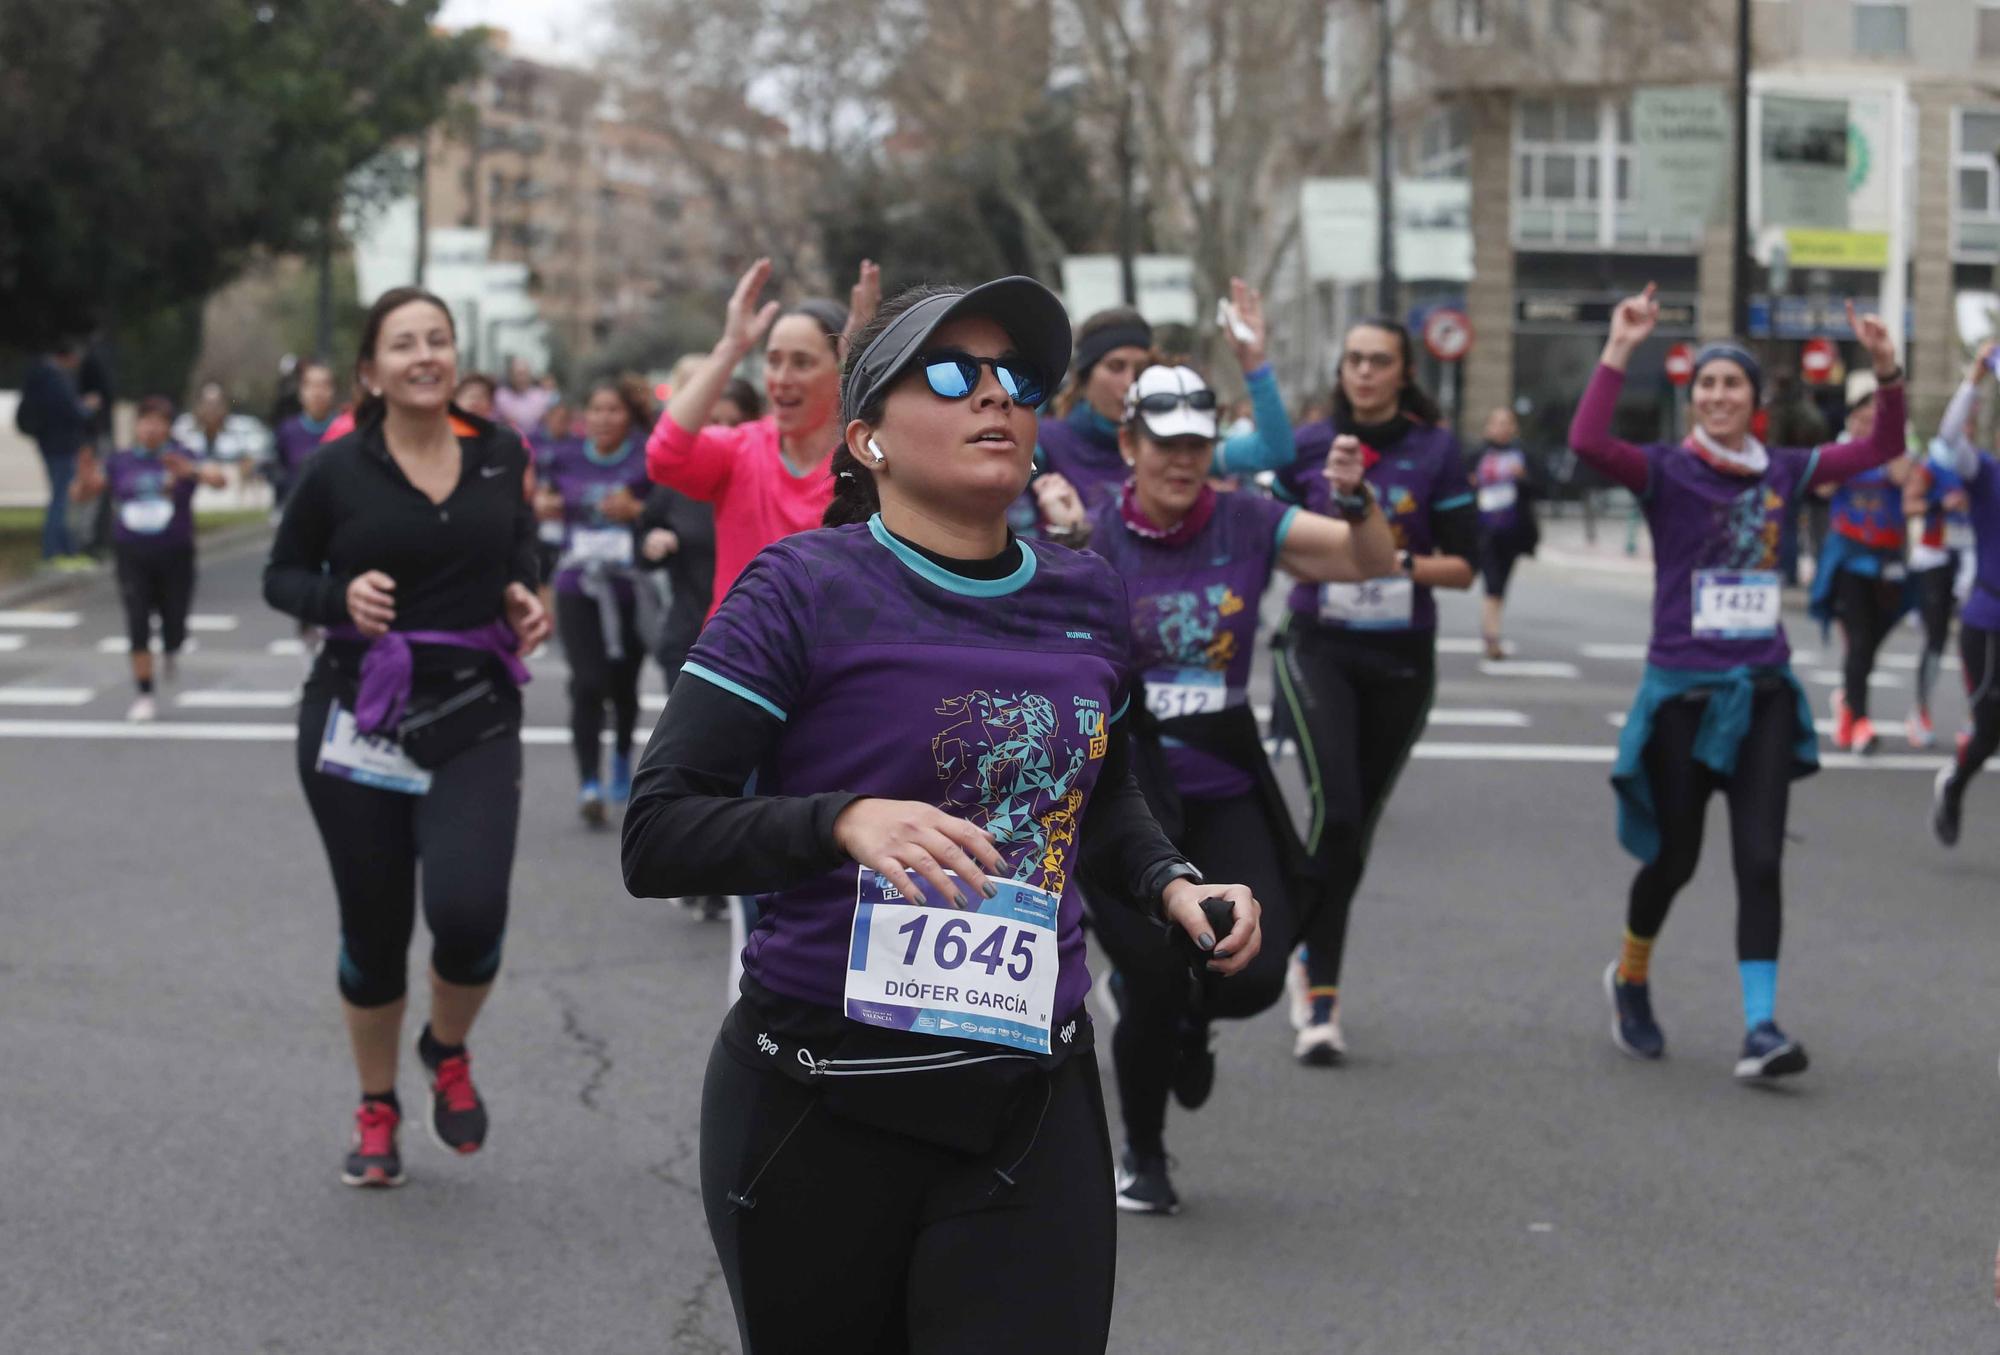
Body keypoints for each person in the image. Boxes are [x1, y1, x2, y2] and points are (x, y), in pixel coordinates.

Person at [622, 279, 1262, 1354]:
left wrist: (1167, 879)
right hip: (819, 1101)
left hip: (1029, 1098)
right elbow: (659, 830)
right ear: (866, 436)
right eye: (954, 376)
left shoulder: (1084, 594)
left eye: (1016, 379)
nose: (996, 399)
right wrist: (840, 820)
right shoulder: (800, 589)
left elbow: (1098, 789)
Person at [1043, 361, 1394, 1214]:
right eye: (1165, 444)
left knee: (1255, 976)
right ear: (1129, 444)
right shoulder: (1094, 536)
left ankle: (1192, 1018)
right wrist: (1061, 549)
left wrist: (1357, 501)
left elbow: (1367, 561)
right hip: (1125, 787)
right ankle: (1146, 1152)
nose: (1183, 461)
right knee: (1156, 976)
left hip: (1225, 777)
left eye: (1199, 443)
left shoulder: (1245, 519)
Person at [1575, 286, 1904, 1079]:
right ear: (1694, 402)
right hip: (1683, 695)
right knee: (1676, 860)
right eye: (1708, 386)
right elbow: (1588, 441)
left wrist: (1887, 370)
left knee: (1760, 860)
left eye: (1734, 385)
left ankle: (1761, 1028)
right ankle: (1630, 976)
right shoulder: (1665, 471)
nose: (1720, 396)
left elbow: (1878, 448)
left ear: (1757, 401)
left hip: (1759, 692)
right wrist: (1620, 347)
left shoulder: (1786, 469)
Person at [263, 286, 551, 1187]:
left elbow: (520, 545)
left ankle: (446, 1045)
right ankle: (377, 1102)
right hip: (359, 713)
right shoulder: (337, 468)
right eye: (403, 343)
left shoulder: (499, 451)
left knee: (469, 916)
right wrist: (335, 600)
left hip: (475, 710)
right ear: (370, 369)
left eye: (437, 339)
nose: (424, 355)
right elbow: (280, 574)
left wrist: (522, 592)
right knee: (375, 931)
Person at [1271, 317, 1478, 1064]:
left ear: (1402, 371)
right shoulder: (1305, 446)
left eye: (1378, 360)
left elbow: (1464, 567)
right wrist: (1333, 564)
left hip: (1400, 659)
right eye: (1353, 358)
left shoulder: (1436, 450)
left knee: (1353, 830)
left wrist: (1385, 562)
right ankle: (1316, 985)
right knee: (1339, 807)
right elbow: (1276, 542)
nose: (1363, 371)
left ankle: (1309, 956)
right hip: (1318, 646)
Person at [645, 257, 879, 618]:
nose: (782, 378)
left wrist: (860, 367)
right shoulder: (740, 448)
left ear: (840, 370)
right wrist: (731, 346)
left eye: (802, 363)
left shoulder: (867, 461)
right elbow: (664, 456)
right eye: (773, 360)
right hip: (736, 658)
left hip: (831, 659)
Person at [1028, 280, 1292, 537]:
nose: (1130, 381)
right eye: (1116, 367)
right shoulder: (1045, 444)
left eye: (1141, 368)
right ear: (1084, 379)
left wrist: (1253, 362)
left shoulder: (1180, 444)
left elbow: (1273, 450)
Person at [537, 376, 654, 823]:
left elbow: (666, 507)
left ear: (628, 416)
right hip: (577, 586)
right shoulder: (563, 457)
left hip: (629, 588)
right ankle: (589, 781)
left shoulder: (645, 457)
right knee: (587, 684)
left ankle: (622, 755)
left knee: (623, 686)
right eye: (596, 410)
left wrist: (637, 511)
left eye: (614, 410)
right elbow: (544, 508)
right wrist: (543, 507)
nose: (604, 419)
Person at [84, 397, 226, 719]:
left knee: (174, 622)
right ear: (136, 425)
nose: (150, 427)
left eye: (158, 421)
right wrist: (83, 480)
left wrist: (190, 471)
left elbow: (219, 479)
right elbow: (86, 491)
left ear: (168, 427)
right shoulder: (120, 461)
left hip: (175, 553)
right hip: (132, 553)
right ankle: (144, 692)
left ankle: (172, 648)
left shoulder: (182, 456)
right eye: (145, 420)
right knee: (137, 621)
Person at [1806, 376, 1912, 754]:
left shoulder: (1893, 451)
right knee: (1860, 639)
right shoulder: (1840, 451)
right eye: (1863, 418)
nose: (1868, 425)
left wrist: (1889, 439)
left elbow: (1903, 477)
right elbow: (1823, 489)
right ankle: (1861, 720)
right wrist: (1850, 451)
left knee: (1870, 642)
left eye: (1875, 419)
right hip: (1848, 560)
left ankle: (1848, 703)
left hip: (1887, 562)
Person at [1929, 341, 2000, 847]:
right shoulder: (1987, 475)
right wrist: (1974, 378)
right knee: (1990, 732)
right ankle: (1954, 785)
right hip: (1989, 621)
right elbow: (1949, 437)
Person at [14, 336, 100, 567]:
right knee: (62, 499)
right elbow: (71, 412)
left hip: (49, 443)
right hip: (61, 445)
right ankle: (55, 552)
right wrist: (87, 408)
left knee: (61, 497)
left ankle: (65, 550)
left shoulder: (40, 376)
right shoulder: (55, 379)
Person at [1473, 407, 1539, 661]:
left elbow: (1539, 488)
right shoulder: (1476, 455)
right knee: (1492, 584)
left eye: (1507, 423)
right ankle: (1492, 636)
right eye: (1497, 423)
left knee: (1500, 586)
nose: (1501, 428)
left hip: (1512, 530)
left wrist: (1522, 478)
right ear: (1488, 427)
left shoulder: (1522, 455)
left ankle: (1491, 630)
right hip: (1484, 530)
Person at [173, 381, 272, 500]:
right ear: (197, 405)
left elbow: (260, 455)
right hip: (193, 489)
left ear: (226, 406)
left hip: (235, 488)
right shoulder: (183, 427)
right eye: (207, 403)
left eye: (217, 404)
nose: (212, 409)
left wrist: (248, 463)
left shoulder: (244, 427)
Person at [271, 360, 340, 507]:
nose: (318, 392)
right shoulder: (287, 431)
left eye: (324, 385)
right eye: (312, 385)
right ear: (301, 391)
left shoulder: (345, 430)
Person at [494, 356, 556, 435]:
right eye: (518, 374)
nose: (521, 378)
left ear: (530, 375)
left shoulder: (540, 396)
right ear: (511, 375)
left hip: (535, 442)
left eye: (524, 374)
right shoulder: (500, 395)